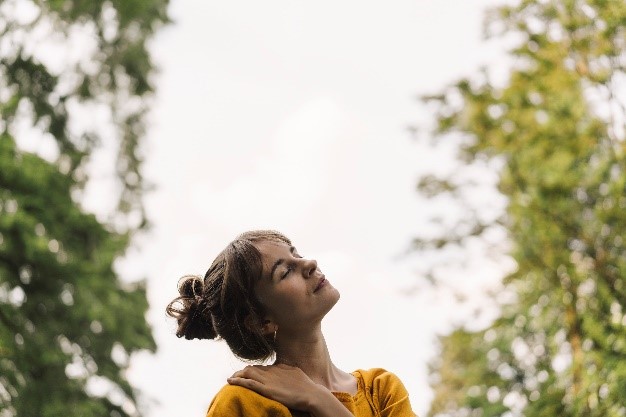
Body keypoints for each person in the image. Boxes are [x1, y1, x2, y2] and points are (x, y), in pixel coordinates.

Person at [166, 230, 417, 417]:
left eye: (296, 254)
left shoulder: (380, 390)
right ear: (260, 321)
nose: (310, 264)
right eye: (284, 272)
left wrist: (321, 401)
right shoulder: (240, 403)